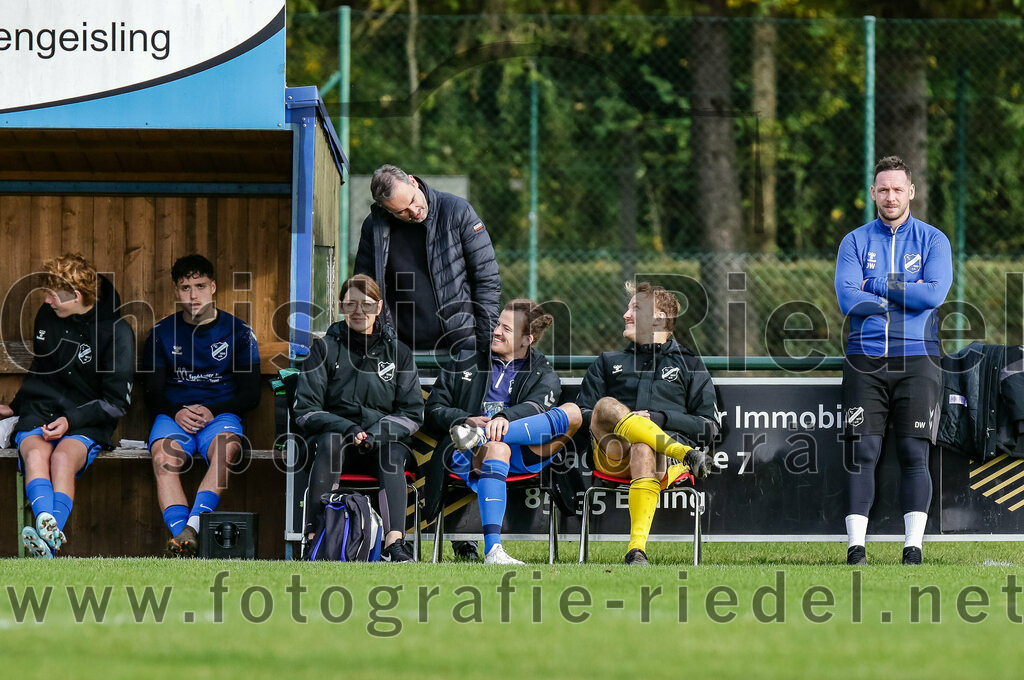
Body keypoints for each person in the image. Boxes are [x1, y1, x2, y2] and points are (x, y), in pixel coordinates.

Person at [835, 155, 952, 566]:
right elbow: (848, 299)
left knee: (914, 453)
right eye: (883, 189)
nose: (890, 196)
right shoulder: (854, 241)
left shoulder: (934, 241)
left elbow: (933, 296)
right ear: (872, 193)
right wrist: (907, 293)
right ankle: (856, 548)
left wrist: (878, 285)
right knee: (861, 451)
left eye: (897, 189)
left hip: (919, 357)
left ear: (911, 192)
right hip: (864, 359)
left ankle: (913, 548)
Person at [425, 299, 583, 564]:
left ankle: (488, 435)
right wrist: (466, 419)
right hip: (469, 452)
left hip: (525, 452)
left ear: (527, 339)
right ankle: (493, 551)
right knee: (497, 447)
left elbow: (536, 408)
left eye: (506, 329)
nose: (496, 331)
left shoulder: (542, 372)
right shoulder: (466, 359)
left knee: (574, 412)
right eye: (498, 324)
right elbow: (433, 410)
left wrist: (504, 419)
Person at [0, 254, 134, 558]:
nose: (46, 301)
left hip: (87, 417)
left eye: (52, 294)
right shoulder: (47, 316)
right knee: (35, 453)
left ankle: (46, 537)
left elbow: (117, 402)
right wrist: (15, 406)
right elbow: (40, 368)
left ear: (76, 296)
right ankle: (48, 541)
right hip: (40, 408)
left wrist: (70, 420)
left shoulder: (117, 331)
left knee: (61, 460)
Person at [576, 281, 717, 566]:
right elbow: (583, 413)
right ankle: (687, 455)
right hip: (613, 452)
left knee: (644, 446)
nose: (625, 315)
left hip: (661, 462)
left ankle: (636, 550)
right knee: (605, 405)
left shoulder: (689, 364)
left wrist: (659, 420)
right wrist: (624, 419)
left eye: (635, 309)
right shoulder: (607, 361)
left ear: (658, 318)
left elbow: (709, 426)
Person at [293, 274, 424, 562]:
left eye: (365, 305)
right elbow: (305, 410)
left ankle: (395, 543)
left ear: (378, 308)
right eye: (350, 304)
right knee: (329, 443)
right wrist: (348, 428)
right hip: (337, 441)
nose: (358, 312)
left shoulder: (399, 353)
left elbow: (412, 413)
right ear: (340, 307)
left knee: (391, 454)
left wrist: (377, 433)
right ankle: (314, 538)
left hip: (383, 442)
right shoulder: (324, 349)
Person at [143, 254, 261, 557]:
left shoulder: (239, 332)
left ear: (213, 287)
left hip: (218, 415)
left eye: (199, 286)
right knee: (162, 458)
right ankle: (183, 537)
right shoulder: (160, 333)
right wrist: (177, 411)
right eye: (185, 288)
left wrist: (213, 409)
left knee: (226, 451)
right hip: (174, 414)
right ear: (175, 291)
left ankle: (192, 528)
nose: (193, 295)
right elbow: (152, 392)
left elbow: (251, 395)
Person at [354, 164, 501, 356]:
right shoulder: (374, 227)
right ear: (386, 210)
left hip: (459, 346)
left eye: (413, 200)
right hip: (398, 351)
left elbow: (487, 280)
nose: (414, 211)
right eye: (401, 211)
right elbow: (365, 289)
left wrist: (483, 345)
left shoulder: (457, 212)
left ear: (413, 181)